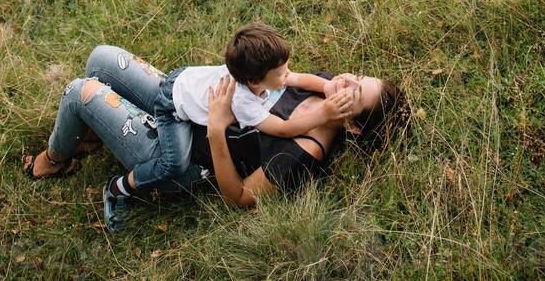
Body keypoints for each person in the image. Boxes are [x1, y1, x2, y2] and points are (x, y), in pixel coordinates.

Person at [23, 43, 407, 232]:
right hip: (192, 104)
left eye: (355, 93)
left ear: (353, 126)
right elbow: (272, 81)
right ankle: (93, 133)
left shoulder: (301, 156)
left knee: (79, 90)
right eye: (357, 76)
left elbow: (237, 198)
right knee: (101, 59)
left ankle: (56, 160)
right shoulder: (321, 86)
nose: (347, 80)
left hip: (184, 156)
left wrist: (219, 129)